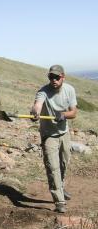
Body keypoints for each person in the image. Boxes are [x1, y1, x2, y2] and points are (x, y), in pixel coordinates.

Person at [31, 65, 77, 213]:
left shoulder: (69, 90)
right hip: (49, 135)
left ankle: (61, 188)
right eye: (51, 77)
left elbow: (74, 112)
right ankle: (59, 201)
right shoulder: (43, 91)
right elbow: (37, 105)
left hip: (64, 133)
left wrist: (63, 115)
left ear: (63, 77)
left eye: (57, 77)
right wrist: (35, 112)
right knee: (53, 167)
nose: (54, 80)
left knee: (63, 163)